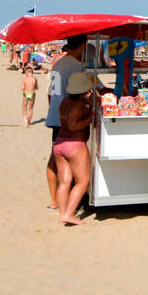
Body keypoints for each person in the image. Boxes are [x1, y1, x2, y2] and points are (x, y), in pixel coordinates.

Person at [45, 35, 87, 210]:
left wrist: (56, 110)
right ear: (84, 45)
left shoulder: (58, 64)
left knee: (54, 159)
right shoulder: (77, 66)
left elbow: (49, 93)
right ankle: (72, 201)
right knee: (72, 161)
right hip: (70, 118)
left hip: (56, 116)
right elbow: (87, 89)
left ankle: (54, 201)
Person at [52, 72, 95, 225]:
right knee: (83, 181)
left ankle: (63, 214)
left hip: (60, 143)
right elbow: (73, 125)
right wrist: (91, 116)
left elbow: (65, 121)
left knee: (64, 182)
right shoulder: (79, 106)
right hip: (74, 144)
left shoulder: (65, 102)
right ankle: (70, 214)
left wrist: (87, 104)